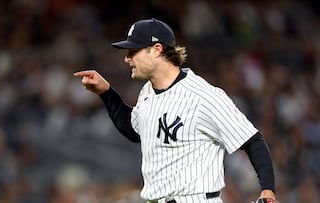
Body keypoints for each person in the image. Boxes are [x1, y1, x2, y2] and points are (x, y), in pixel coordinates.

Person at [74, 18, 277, 203]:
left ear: (156, 49)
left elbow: (252, 140)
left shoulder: (202, 95)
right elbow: (134, 130)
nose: (127, 59)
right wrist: (107, 93)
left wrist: (267, 191)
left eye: (132, 52)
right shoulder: (148, 92)